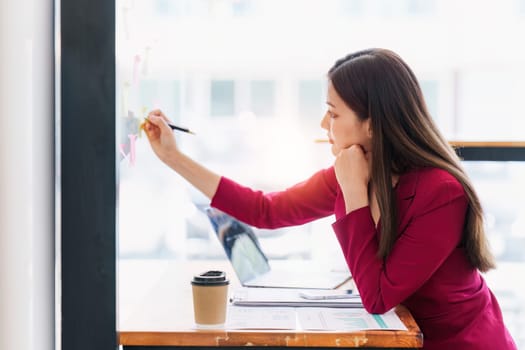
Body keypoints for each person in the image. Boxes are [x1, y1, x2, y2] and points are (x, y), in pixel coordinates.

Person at [143, 48, 517, 349]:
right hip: (403, 338)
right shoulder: (350, 171)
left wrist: (354, 192)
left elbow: (378, 297)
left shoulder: (441, 193)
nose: (324, 125)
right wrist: (173, 157)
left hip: (460, 343)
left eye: (333, 113)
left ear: (372, 122)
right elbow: (265, 210)